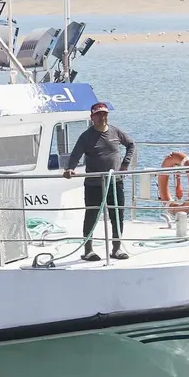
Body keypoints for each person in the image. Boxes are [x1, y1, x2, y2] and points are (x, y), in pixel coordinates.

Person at [63, 102, 135, 261]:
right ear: (92, 117)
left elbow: (131, 145)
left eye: (105, 114)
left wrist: (125, 164)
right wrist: (70, 168)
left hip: (115, 182)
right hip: (94, 184)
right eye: (99, 114)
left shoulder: (116, 131)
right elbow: (75, 154)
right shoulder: (86, 136)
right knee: (92, 216)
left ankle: (116, 249)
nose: (102, 117)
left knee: (117, 215)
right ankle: (88, 250)